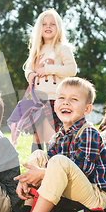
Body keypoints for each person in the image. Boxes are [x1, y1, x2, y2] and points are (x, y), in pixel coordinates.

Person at [0, 77, 106, 212]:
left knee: (58, 161)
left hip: (94, 196)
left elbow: (83, 171)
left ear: (87, 109)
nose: (66, 102)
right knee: (38, 155)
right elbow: (48, 167)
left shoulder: (89, 132)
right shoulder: (57, 137)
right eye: (61, 98)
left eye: (74, 99)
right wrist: (26, 179)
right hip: (69, 195)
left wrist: (42, 174)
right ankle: (29, 209)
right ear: (54, 104)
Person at [22, 9, 77, 152]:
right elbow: (28, 68)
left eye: (52, 24)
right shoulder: (37, 49)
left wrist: (48, 69)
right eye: (44, 24)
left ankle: (54, 164)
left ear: (58, 27)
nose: (48, 26)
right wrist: (30, 75)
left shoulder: (62, 48)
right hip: (37, 100)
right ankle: (36, 166)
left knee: (50, 135)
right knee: (37, 136)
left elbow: (71, 69)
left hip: (53, 98)